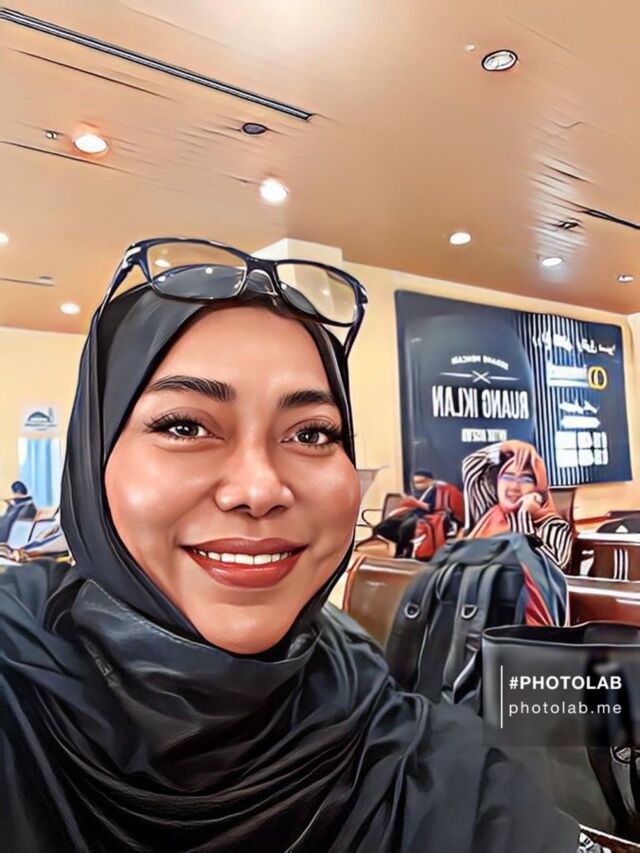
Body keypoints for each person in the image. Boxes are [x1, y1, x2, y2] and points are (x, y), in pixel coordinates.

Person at [0, 238, 582, 852]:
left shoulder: (408, 743)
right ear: (92, 460)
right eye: (184, 426)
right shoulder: (17, 688)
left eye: (311, 433)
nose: (259, 489)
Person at [462, 440, 573, 571]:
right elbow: (471, 466)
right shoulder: (489, 510)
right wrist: (507, 446)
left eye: (526, 479)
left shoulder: (555, 526)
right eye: (508, 477)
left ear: (539, 489)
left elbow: (550, 570)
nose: (514, 486)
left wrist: (524, 517)